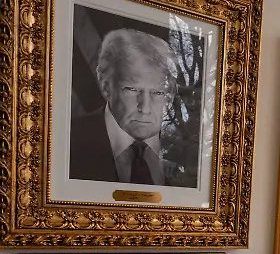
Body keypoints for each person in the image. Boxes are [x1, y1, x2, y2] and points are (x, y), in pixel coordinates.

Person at [69, 28, 192, 187]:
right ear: (107, 87)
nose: (145, 107)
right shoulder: (66, 142)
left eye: (157, 92)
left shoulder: (187, 151)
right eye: (132, 90)